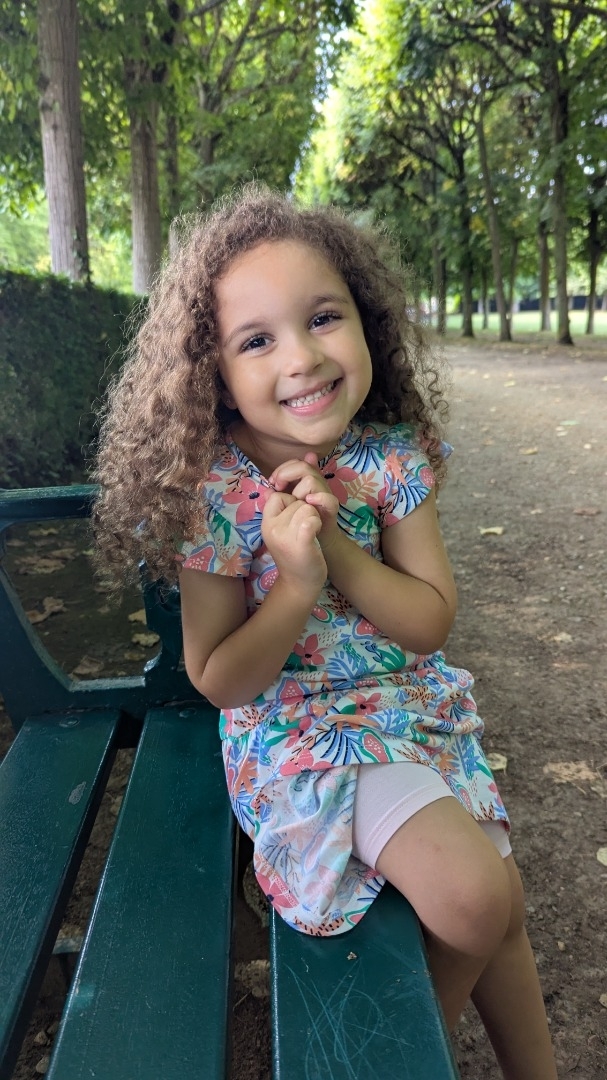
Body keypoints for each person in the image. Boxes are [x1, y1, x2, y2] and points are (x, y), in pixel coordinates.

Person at [94, 186, 557, 1077]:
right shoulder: (214, 494)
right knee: (474, 898)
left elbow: (427, 622)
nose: (302, 358)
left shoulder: (387, 458)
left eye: (321, 318)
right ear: (211, 373)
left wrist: (338, 549)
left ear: (365, 322)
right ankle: (391, 1062)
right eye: (256, 340)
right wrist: (295, 585)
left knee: (502, 901)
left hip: (412, 709)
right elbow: (220, 678)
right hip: (298, 736)